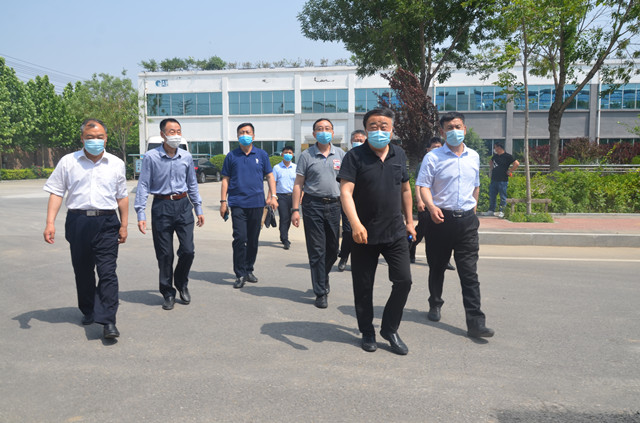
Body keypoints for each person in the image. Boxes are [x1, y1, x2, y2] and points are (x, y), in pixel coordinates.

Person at [338, 108, 415, 355]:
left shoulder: (398, 153)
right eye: (373, 126)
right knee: (363, 286)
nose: (379, 130)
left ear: (392, 130)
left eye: (384, 126)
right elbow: (346, 192)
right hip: (363, 234)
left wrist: (410, 221)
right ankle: (367, 332)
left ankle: (389, 329)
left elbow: (405, 189)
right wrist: (355, 224)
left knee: (404, 280)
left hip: (395, 231)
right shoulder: (354, 156)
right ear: (366, 128)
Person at [43, 119, 128, 340]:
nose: (95, 141)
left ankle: (108, 320)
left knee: (107, 272)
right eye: (90, 137)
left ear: (106, 139)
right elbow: (56, 192)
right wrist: (50, 222)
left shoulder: (116, 163)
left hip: (107, 222)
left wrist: (124, 225)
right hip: (78, 221)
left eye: (99, 137)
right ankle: (88, 309)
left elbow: (122, 196)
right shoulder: (68, 162)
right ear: (82, 139)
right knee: (83, 270)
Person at [416, 111, 494, 338]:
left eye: (458, 127)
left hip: (467, 222)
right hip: (440, 220)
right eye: (449, 128)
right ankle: (435, 302)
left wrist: (474, 210)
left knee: (469, 273)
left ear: (465, 129)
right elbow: (423, 185)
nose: (454, 131)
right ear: (442, 132)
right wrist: (431, 207)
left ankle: (476, 322)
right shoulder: (433, 157)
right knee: (437, 267)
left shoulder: (473, 156)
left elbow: (476, 185)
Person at [135, 118, 204, 311]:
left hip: (183, 205)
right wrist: (141, 213)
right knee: (165, 254)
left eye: (178, 131)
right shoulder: (151, 157)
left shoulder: (186, 157)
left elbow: (192, 184)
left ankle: (181, 282)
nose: (176, 135)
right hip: (162, 206)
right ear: (163, 134)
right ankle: (168, 292)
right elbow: (143, 185)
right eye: (172, 131)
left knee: (188, 250)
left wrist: (198, 208)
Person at [291, 118, 345, 309]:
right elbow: (298, 184)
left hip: (335, 205)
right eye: (320, 129)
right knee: (317, 250)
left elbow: (346, 184)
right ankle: (320, 292)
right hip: (312, 205)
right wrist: (295, 210)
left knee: (333, 249)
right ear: (314, 134)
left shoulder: (341, 154)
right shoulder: (306, 155)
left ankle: (323, 275)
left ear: (333, 132)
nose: (324, 131)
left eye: (327, 128)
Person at [220, 123, 277, 289]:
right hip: (237, 203)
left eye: (248, 132)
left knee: (253, 240)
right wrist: (223, 202)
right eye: (241, 132)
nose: (245, 134)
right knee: (240, 238)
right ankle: (239, 273)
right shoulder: (231, 156)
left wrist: (273, 196)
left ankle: (248, 269)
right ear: (237, 136)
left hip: (257, 204)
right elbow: (225, 180)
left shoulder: (262, 154)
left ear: (253, 136)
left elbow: (270, 176)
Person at [410, 137, 455, 271]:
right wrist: (420, 200)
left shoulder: (446, 161)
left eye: (439, 147)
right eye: (434, 147)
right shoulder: (425, 162)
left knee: (446, 234)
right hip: (427, 204)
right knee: (421, 230)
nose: (437, 149)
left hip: (441, 205)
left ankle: (445, 260)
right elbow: (419, 184)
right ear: (428, 149)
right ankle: (410, 247)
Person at [337, 129, 367, 271]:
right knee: (349, 231)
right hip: (348, 201)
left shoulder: (370, 157)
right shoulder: (347, 157)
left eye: (361, 140)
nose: (358, 142)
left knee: (364, 230)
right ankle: (344, 257)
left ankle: (359, 260)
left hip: (365, 202)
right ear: (351, 141)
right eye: (356, 140)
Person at [272, 145, 297, 250]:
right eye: (286, 152)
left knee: (290, 218)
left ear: (293, 155)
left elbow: (299, 183)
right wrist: (272, 197)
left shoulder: (296, 167)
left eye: (290, 153)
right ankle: (285, 239)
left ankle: (284, 235)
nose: (288, 154)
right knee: (284, 217)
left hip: (293, 196)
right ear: (282, 154)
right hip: (281, 196)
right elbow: (273, 183)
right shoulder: (276, 168)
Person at [488, 141, 519, 218]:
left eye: (495, 147)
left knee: (502, 196)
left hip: (503, 180)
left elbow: (516, 163)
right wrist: (491, 170)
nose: (494, 149)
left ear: (499, 147)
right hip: (494, 179)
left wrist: (510, 170)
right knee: (492, 195)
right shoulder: (495, 156)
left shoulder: (507, 156)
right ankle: (491, 210)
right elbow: (491, 163)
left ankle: (502, 211)